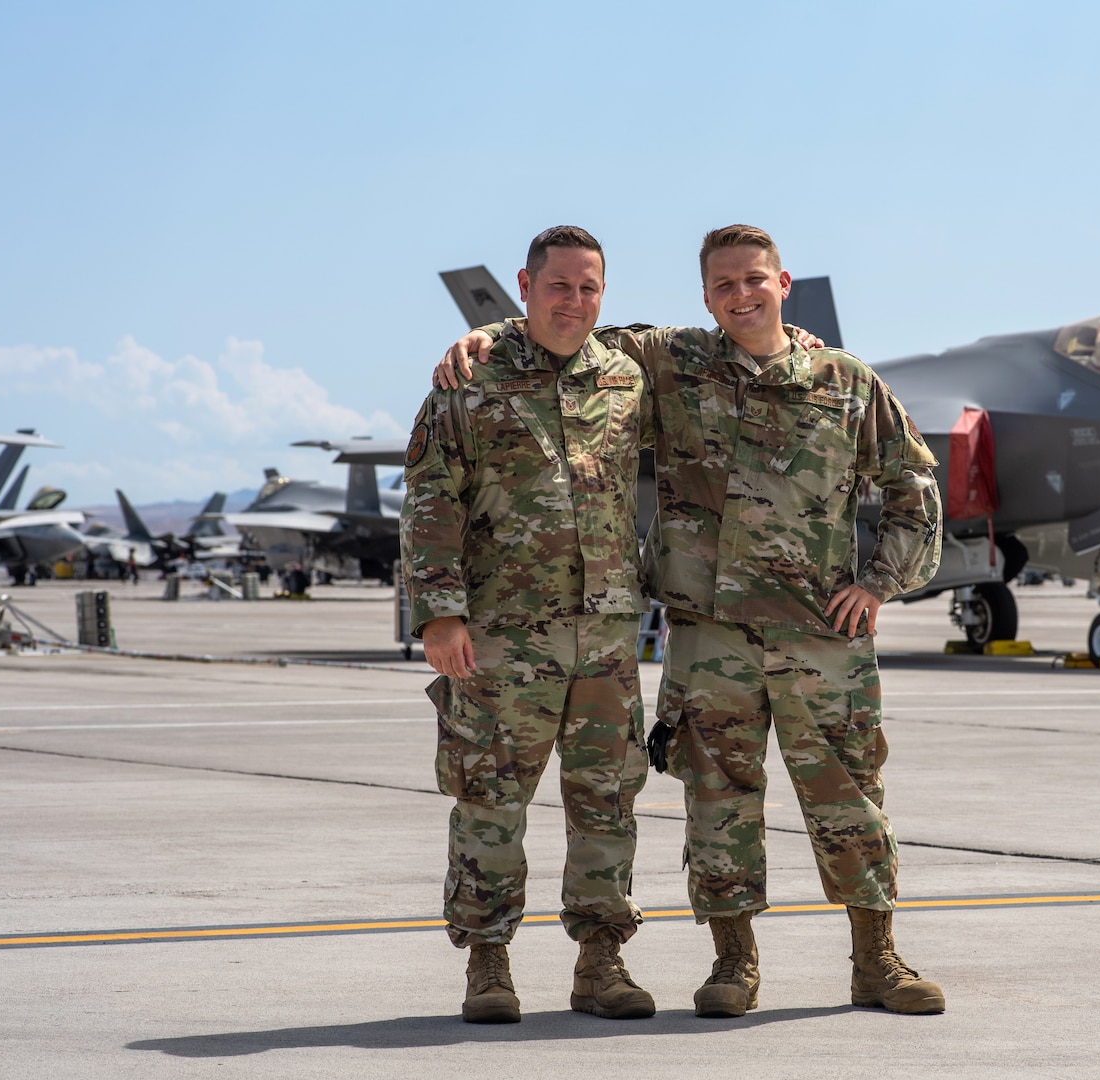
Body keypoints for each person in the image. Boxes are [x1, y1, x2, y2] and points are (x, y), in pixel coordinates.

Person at [435, 224, 947, 1016]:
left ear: (784, 283)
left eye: (754, 280)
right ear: (705, 298)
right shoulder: (674, 363)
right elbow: (564, 332)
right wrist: (486, 333)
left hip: (822, 638)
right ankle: (732, 964)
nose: (741, 295)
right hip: (708, 637)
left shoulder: (846, 381)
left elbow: (913, 481)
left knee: (850, 800)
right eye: (723, 286)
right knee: (717, 799)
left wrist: (882, 582)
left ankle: (876, 960)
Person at [401, 225, 657, 1025]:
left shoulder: (627, 374)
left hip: (607, 639)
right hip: (501, 637)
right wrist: (439, 614)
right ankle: (487, 964)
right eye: (559, 285)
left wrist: (799, 330)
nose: (573, 301)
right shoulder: (470, 378)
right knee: (489, 801)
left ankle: (601, 961)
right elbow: (431, 498)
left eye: (589, 288)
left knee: (607, 802)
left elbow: (729, 352)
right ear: (525, 283)